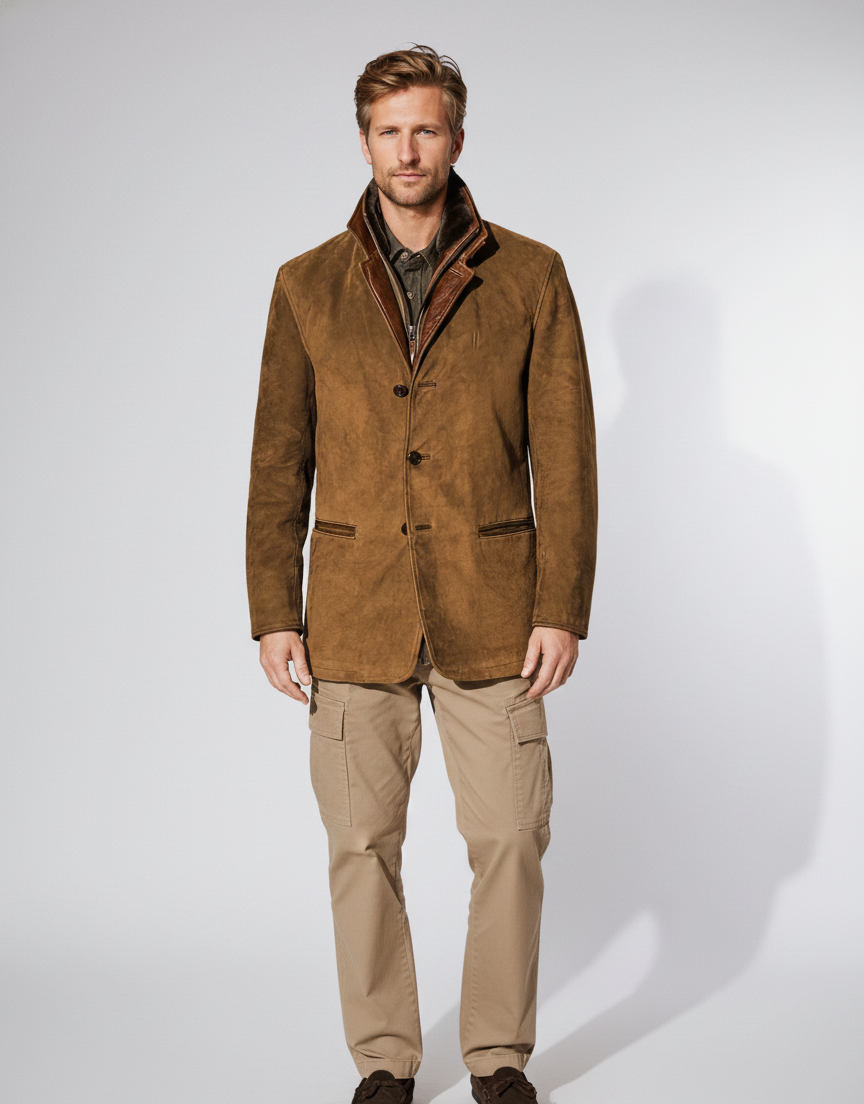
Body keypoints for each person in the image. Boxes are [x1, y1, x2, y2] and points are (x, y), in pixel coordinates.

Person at [245, 44, 598, 1104]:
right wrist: (273, 610)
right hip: (353, 609)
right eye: (389, 132)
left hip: (496, 609)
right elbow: (278, 459)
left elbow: (566, 457)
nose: (408, 151)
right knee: (360, 842)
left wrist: (562, 606)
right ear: (364, 143)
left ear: (456, 138)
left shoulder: (530, 276)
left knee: (510, 834)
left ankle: (497, 1054)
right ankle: (386, 1060)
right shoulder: (305, 285)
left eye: (426, 129)